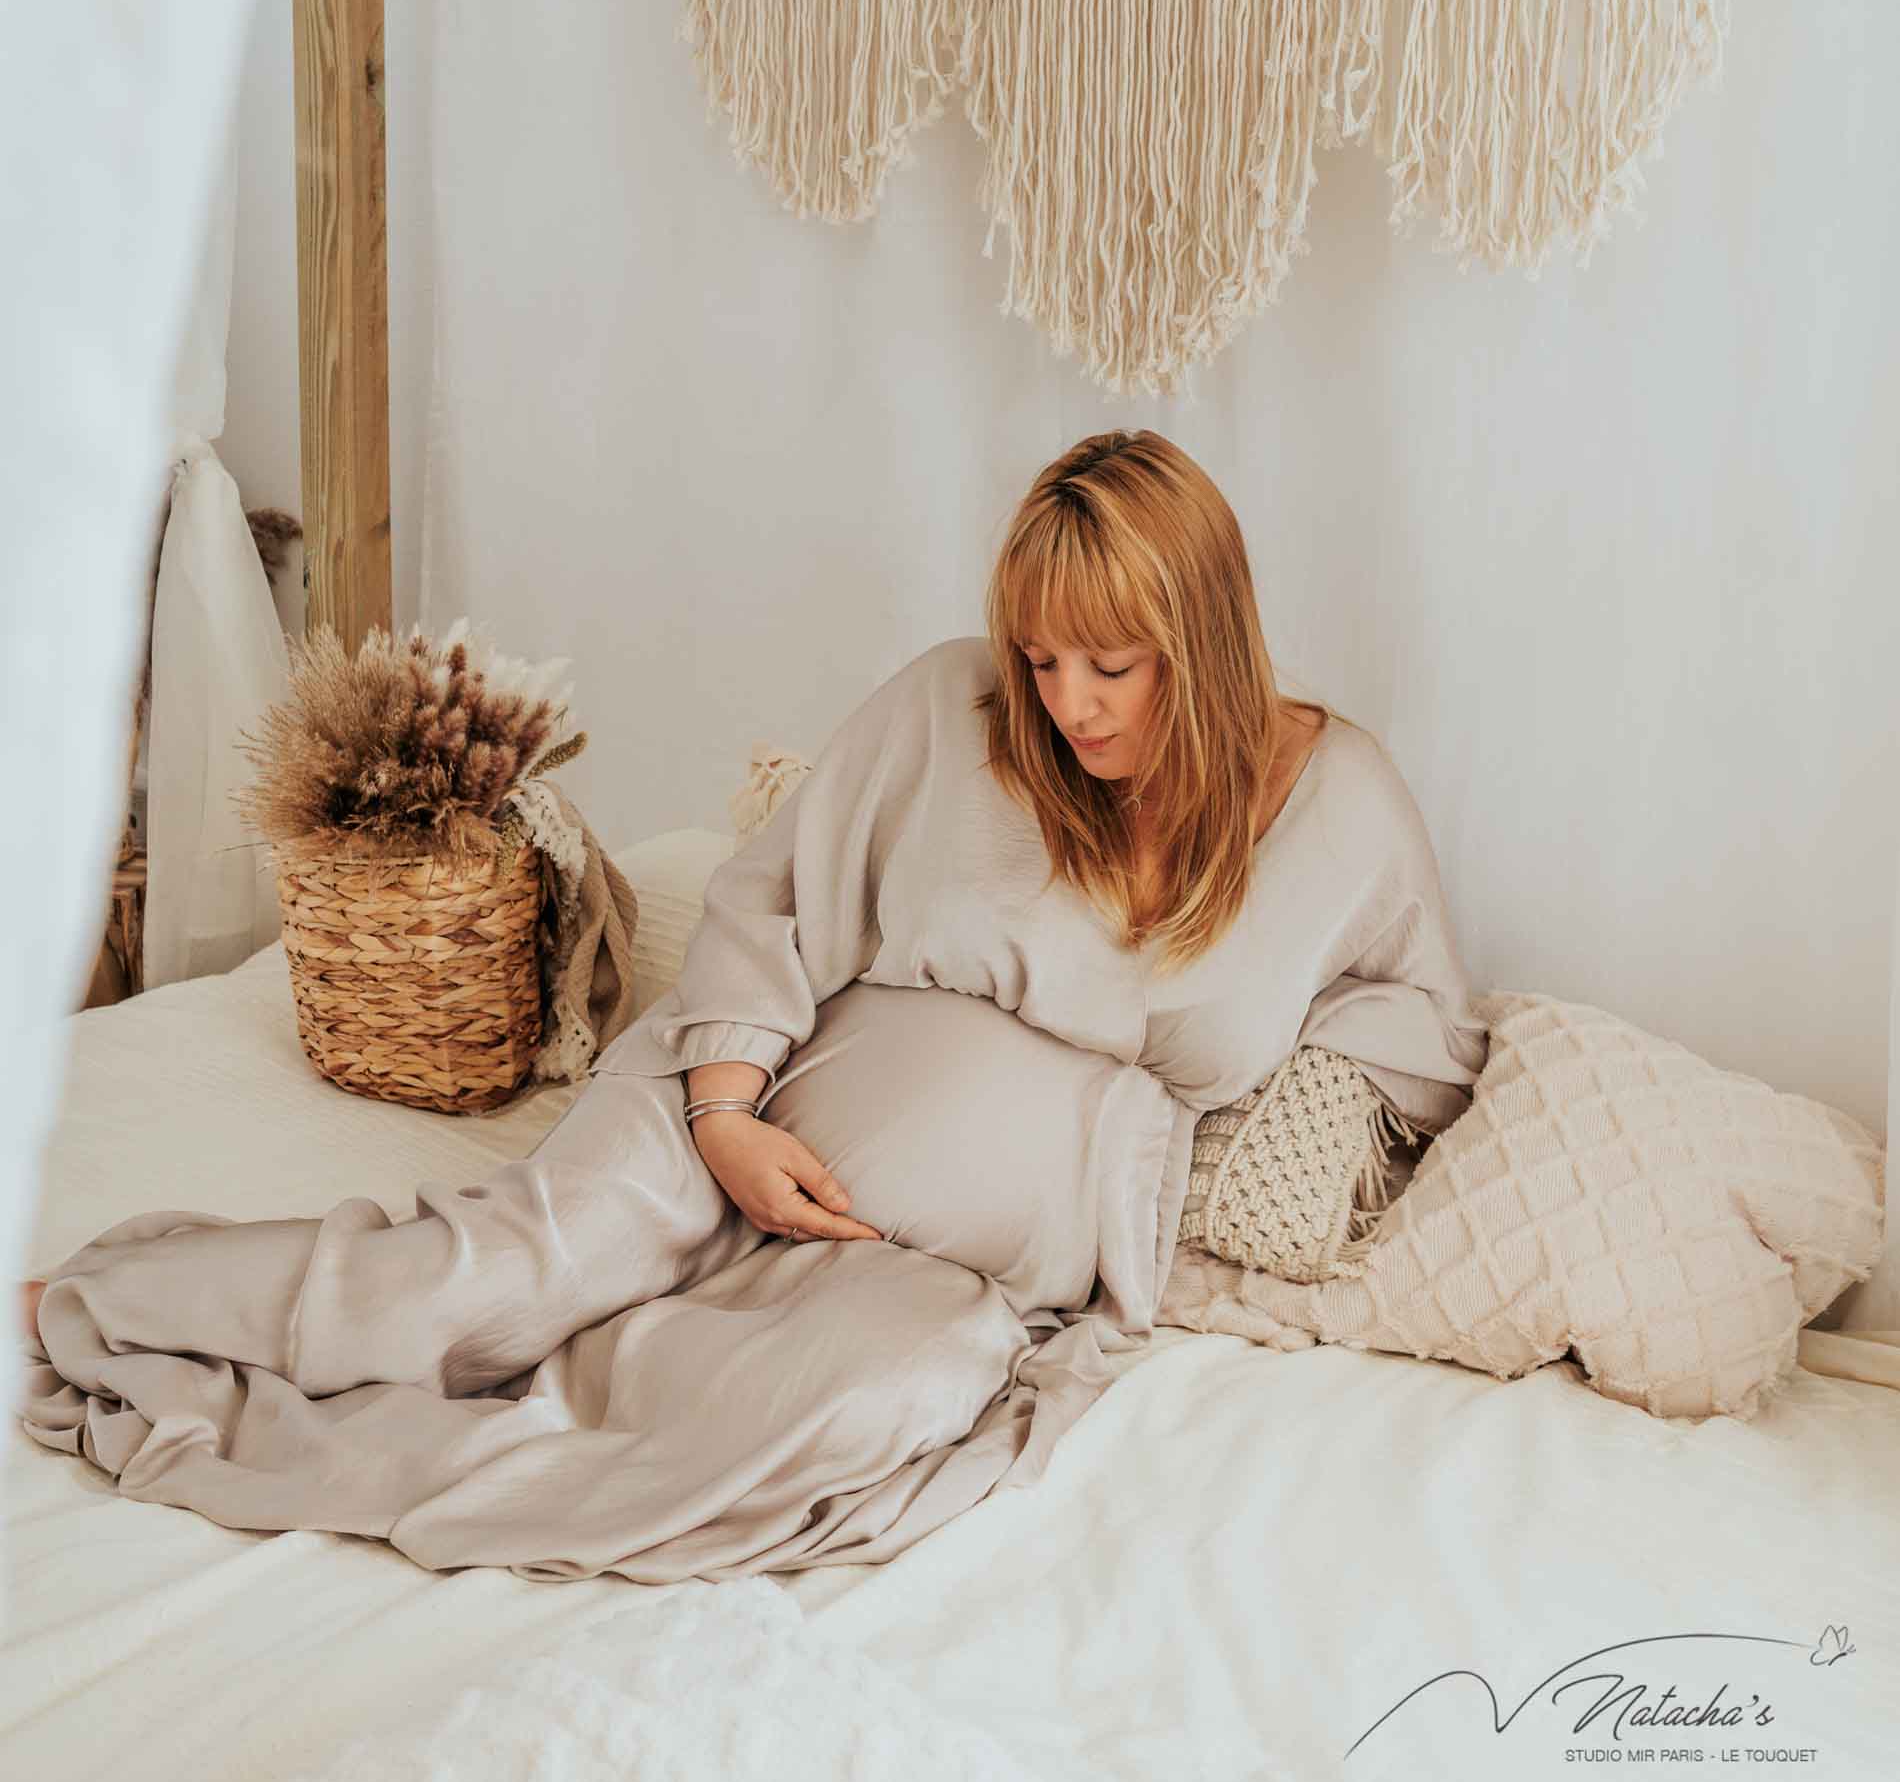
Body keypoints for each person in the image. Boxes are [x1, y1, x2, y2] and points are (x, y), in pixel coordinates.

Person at [15, 429, 1488, 1582]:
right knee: (502, 1282)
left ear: (1210, 641)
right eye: (1044, 662)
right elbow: (769, 899)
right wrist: (722, 1115)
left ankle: (514, 1383)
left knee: (838, 1420)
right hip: (737, 1104)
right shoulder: (952, 711)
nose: (1071, 705)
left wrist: (1216, 1167)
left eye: (1114, 665)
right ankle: (87, 1303)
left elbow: (1420, 1033)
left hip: (942, 1266)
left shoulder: (1336, 806)